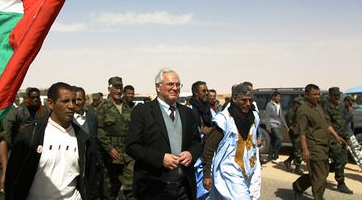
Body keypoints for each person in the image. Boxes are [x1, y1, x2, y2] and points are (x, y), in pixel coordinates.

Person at [5, 82, 90, 200]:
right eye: (65, 101)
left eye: (74, 101)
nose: (71, 106)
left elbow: (90, 179)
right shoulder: (31, 134)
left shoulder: (83, 138)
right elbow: (13, 176)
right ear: (50, 104)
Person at [126, 68, 202, 200]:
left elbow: (197, 142)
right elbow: (132, 146)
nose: (175, 88)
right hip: (154, 187)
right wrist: (160, 158)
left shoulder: (187, 113)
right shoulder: (142, 112)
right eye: (170, 84)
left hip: (184, 186)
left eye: (178, 85)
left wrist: (191, 153)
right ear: (158, 87)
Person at [202, 83, 261, 199]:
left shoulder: (254, 117)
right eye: (244, 100)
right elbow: (209, 147)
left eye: (250, 100)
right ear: (234, 99)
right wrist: (207, 174)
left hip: (249, 169)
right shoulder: (224, 120)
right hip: (229, 170)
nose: (248, 104)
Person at [292, 84, 345, 200]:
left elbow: (327, 124)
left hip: (324, 146)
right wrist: (305, 150)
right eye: (314, 94)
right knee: (320, 177)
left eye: (318, 94)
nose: (317, 97)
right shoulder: (303, 110)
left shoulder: (318, 107)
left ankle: (298, 186)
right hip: (314, 147)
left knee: (322, 172)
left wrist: (337, 137)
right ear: (307, 95)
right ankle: (318, 197)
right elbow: (302, 132)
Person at [97, 76, 134, 200]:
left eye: (120, 88)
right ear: (109, 89)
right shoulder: (103, 108)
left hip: (127, 155)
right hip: (111, 156)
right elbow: (99, 130)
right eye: (115, 88)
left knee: (131, 187)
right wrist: (109, 148)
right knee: (110, 190)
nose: (118, 91)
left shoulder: (128, 108)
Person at [72, 86, 103, 200]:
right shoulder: (68, 120)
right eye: (74, 99)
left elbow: (96, 139)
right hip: (75, 164)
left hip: (92, 164)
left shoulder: (92, 117)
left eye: (79, 99)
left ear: (84, 100)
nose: (76, 102)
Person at [322, 87, 353, 194]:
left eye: (338, 96)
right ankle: (341, 183)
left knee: (344, 159)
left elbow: (342, 123)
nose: (337, 98)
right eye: (335, 96)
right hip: (331, 138)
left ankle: (324, 172)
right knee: (339, 158)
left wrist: (347, 138)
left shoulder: (340, 106)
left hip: (341, 137)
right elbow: (327, 124)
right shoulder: (326, 106)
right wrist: (336, 137)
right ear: (330, 95)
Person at [264, 91, 288, 163]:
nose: (279, 98)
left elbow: (281, 116)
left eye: (279, 97)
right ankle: (276, 157)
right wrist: (268, 127)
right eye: (277, 96)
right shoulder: (269, 105)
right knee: (279, 139)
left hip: (278, 124)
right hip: (272, 124)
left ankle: (270, 157)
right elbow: (267, 117)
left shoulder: (279, 105)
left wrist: (285, 125)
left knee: (273, 140)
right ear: (274, 97)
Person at [283, 97, 304, 174]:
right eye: (300, 104)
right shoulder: (291, 113)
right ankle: (297, 167)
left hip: (299, 133)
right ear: (295, 104)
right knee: (298, 150)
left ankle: (288, 161)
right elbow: (291, 126)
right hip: (295, 134)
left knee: (297, 150)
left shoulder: (298, 112)